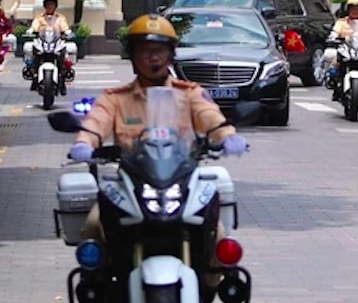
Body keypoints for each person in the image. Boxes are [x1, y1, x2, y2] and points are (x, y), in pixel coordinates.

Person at [69, 14, 247, 241]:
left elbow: (209, 116)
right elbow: (97, 121)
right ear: (132, 56)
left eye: (159, 50)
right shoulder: (115, 98)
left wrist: (227, 136)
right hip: (131, 180)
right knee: (94, 227)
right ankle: (94, 278)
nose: (153, 58)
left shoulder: (188, 93)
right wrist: (85, 142)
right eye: (144, 51)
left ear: (170, 55)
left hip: (181, 179)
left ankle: (217, 278)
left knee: (217, 236)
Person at [322, 0, 358, 98]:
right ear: (348, 10)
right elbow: (335, 31)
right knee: (330, 56)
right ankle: (332, 79)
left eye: (357, 9)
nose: (355, 11)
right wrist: (333, 36)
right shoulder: (342, 22)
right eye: (352, 9)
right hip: (345, 48)